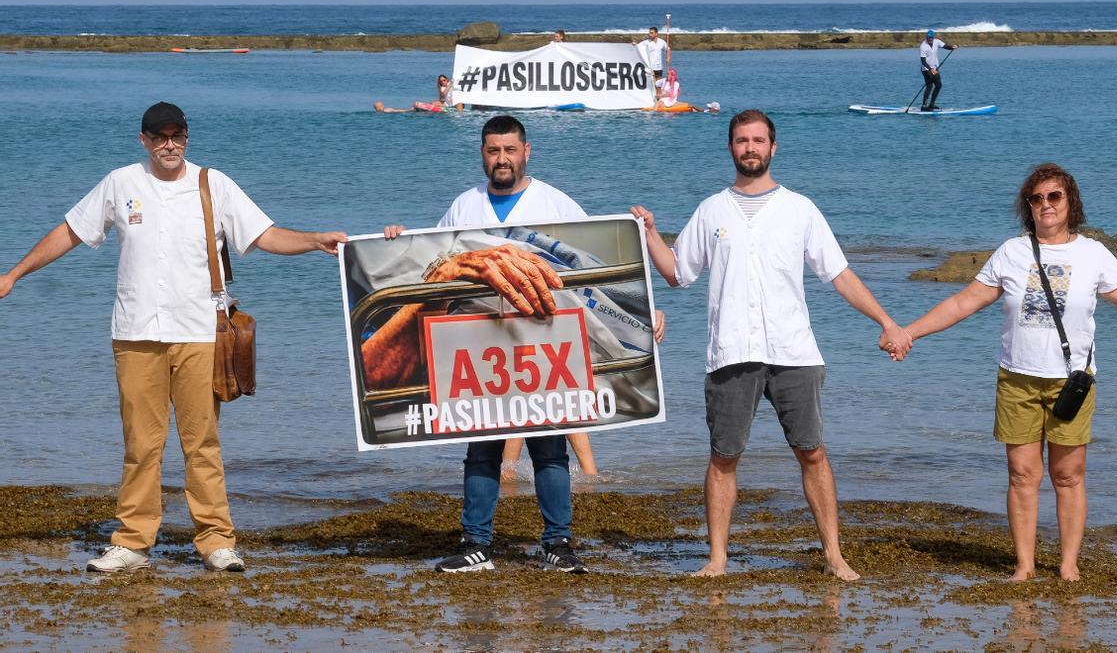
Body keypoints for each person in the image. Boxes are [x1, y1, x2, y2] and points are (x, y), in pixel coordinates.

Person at [0, 102, 347, 573]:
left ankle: (217, 541)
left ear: (187, 137)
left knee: (201, 441)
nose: (170, 144)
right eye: (160, 136)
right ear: (142, 140)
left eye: (177, 135)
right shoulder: (121, 183)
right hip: (135, 332)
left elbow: (263, 235)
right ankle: (132, 543)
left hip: (201, 332)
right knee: (141, 444)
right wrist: (16, 273)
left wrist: (315, 240)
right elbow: (71, 231)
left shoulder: (213, 184)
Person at [372, 115, 664, 573]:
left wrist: (645, 312)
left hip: (542, 340)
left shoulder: (556, 202)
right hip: (478, 343)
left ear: (528, 152)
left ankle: (557, 544)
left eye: (510, 150)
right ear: (483, 154)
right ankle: (477, 545)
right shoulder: (464, 206)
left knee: (549, 446)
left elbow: (594, 272)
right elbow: (431, 261)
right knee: (481, 446)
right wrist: (393, 241)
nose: (502, 159)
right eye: (493, 150)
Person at [632, 109, 911, 579]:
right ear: (730, 148)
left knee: (813, 452)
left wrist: (886, 320)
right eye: (742, 140)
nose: (750, 148)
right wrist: (651, 234)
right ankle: (718, 559)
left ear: (773, 147)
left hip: (794, 351)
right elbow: (679, 273)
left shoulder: (800, 209)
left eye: (758, 140)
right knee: (723, 458)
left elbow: (838, 274)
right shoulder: (711, 210)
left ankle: (834, 556)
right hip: (730, 352)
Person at [895, 163, 1117, 582]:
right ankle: (1023, 566)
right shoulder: (1011, 252)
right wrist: (909, 332)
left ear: (1070, 201)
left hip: (1071, 381)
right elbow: (964, 303)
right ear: (1028, 206)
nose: (1045, 205)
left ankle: (1068, 566)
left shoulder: (1092, 254)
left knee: (1068, 475)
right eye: (1036, 198)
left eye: (1054, 196)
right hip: (1017, 378)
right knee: (1022, 475)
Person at [374, 74, 463, 114]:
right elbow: (443, 95)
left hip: (454, 103)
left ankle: (460, 114)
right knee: (432, 103)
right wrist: (449, 84)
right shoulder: (443, 87)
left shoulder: (453, 83)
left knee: (459, 102)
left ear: (447, 79)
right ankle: (431, 111)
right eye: (441, 81)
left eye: (444, 80)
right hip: (447, 104)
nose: (443, 82)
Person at [919, 29, 959, 112]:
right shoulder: (923, 46)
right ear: (927, 37)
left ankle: (931, 104)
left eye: (931, 37)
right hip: (926, 69)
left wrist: (952, 47)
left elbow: (946, 46)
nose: (930, 39)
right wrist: (931, 69)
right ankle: (924, 105)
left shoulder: (937, 42)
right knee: (929, 86)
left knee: (938, 85)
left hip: (935, 68)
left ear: (933, 37)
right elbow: (923, 61)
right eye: (929, 37)